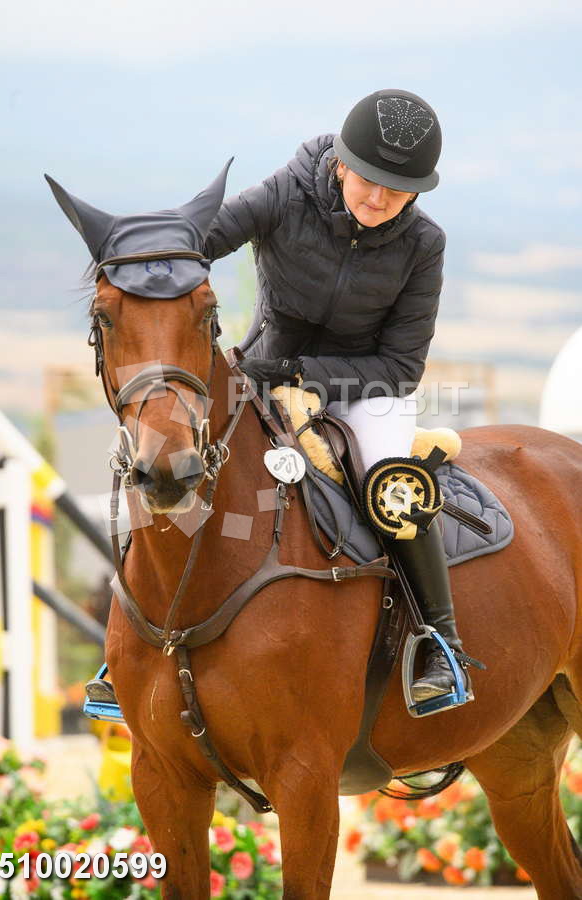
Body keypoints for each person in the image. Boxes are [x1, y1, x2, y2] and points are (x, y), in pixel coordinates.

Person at [204, 89, 473, 704]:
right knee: (179, 458)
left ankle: (441, 642)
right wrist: (157, 264)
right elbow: (207, 237)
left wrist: (301, 372)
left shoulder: (423, 244)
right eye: (369, 181)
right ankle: (136, 642)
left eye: (397, 191)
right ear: (341, 164)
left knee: (392, 485)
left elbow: (401, 367)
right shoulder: (286, 191)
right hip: (262, 372)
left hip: (364, 389)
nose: (378, 199)